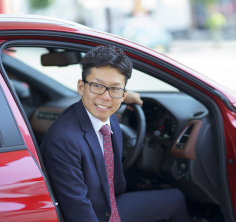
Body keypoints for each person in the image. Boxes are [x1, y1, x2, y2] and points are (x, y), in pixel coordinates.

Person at [41, 45, 191, 222]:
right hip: (95, 214)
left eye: (115, 89)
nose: (106, 97)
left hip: (109, 202)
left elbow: (108, 94)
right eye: (97, 86)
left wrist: (125, 96)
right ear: (81, 87)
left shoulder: (106, 110)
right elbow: (78, 211)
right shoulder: (63, 141)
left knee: (176, 199)